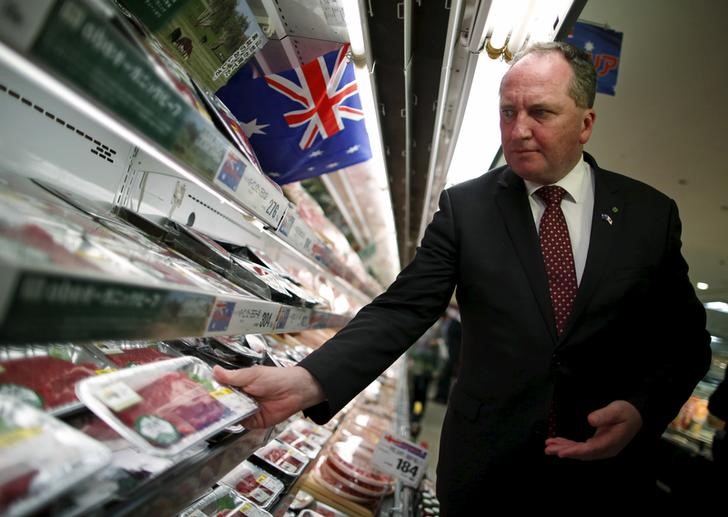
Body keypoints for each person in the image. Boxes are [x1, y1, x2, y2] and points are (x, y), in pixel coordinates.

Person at [214, 42, 711, 511]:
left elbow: (686, 342)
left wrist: (643, 409)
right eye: (507, 112)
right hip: (483, 470)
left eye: (540, 113)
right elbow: (405, 307)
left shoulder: (649, 216)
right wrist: (307, 379)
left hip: (604, 476)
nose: (518, 130)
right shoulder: (466, 206)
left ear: (585, 124)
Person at [434, 307, 461, 403]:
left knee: (445, 376)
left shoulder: (455, 324)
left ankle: (441, 397)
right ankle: (441, 396)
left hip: (451, 355)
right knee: (445, 376)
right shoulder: (455, 323)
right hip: (451, 354)